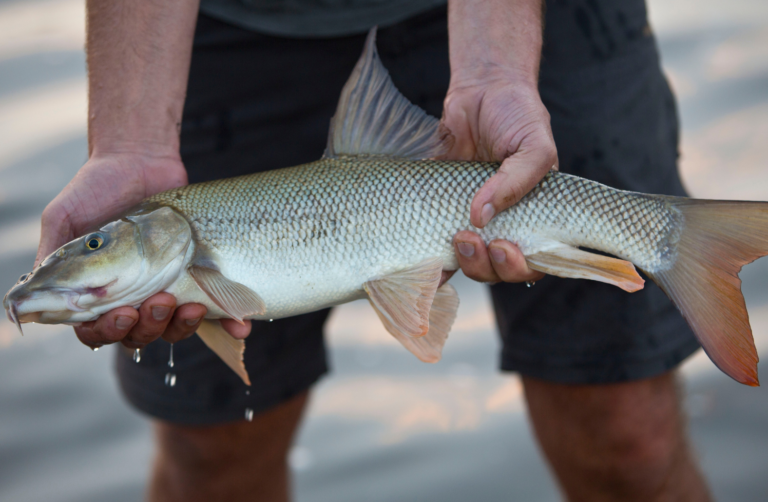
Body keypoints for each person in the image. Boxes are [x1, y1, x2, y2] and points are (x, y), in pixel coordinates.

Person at [37, 0, 712, 500]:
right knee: (211, 462)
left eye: (97, 244)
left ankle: (680, 243)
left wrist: (496, 66)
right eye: (95, 245)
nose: (89, 250)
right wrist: (128, 144)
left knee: (630, 439)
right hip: (221, 25)